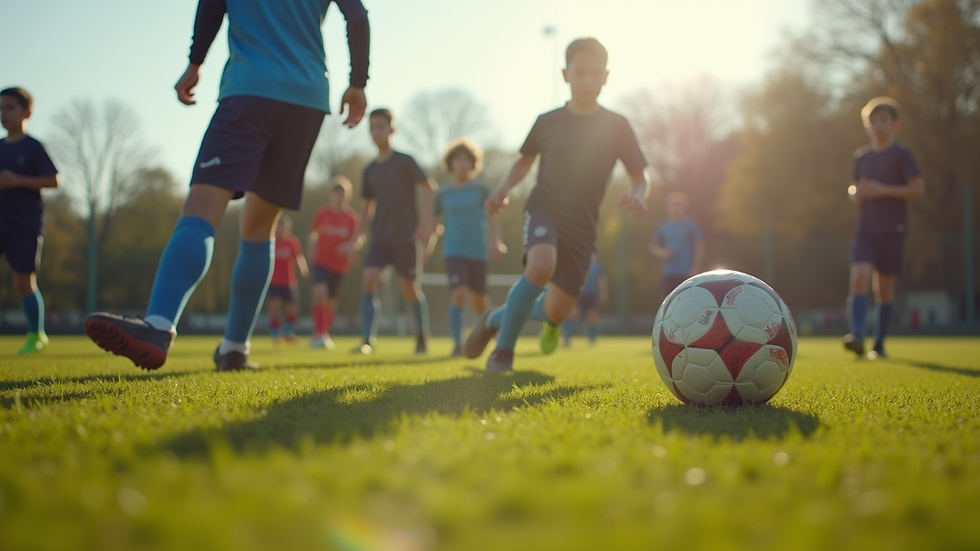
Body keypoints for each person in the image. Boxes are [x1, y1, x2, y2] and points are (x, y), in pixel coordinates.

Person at [84, 0, 369, 371]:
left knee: (202, 209)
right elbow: (358, 15)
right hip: (307, 98)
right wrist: (358, 83)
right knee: (259, 228)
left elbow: (211, 5)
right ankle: (235, 347)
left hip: (249, 90)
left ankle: (158, 326)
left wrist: (195, 62)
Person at [464, 37, 649, 372]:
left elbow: (639, 175)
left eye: (595, 73)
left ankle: (495, 318)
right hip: (544, 208)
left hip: (583, 226)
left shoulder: (617, 125)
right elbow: (524, 161)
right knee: (540, 266)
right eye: (580, 73)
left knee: (556, 311)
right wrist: (503, 188)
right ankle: (503, 351)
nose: (588, 80)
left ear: (607, 76)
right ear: (566, 74)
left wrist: (638, 194)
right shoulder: (547, 121)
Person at [344, 109, 436, 355]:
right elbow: (366, 208)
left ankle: (421, 336)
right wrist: (356, 239)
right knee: (368, 280)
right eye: (372, 127)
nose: (376, 132)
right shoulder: (370, 170)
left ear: (392, 130)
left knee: (409, 289)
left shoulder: (405, 161)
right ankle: (367, 339)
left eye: (381, 127)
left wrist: (424, 225)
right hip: (380, 238)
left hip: (406, 237)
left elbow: (430, 188)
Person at [843, 97, 924, 360]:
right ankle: (856, 335)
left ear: (894, 124)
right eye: (873, 121)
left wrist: (882, 190)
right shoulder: (861, 156)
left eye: (883, 120)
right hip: (865, 228)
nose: (878, 125)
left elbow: (917, 189)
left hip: (893, 229)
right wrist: (856, 193)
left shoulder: (902, 154)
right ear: (867, 126)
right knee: (858, 280)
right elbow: (853, 187)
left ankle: (878, 344)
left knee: (883, 289)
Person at [425, 138, 506, 357]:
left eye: (466, 160)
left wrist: (495, 241)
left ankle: (500, 342)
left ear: (473, 164)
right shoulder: (443, 193)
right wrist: (428, 249)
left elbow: (493, 217)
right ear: (450, 164)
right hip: (453, 252)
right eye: (457, 160)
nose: (462, 164)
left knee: (481, 304)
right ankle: (457, 344)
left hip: (477, 252)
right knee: (459, 294)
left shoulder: (482, 188)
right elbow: (434, 225)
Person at [0, 87, 60, 354]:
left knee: (23, 282)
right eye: (1, 108)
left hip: (25, 223)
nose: (4, 114)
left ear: (26, 113)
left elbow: (54, 180)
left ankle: (37, 335)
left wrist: (18, 180)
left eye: (10, 108)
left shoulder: (33, 147)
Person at [308, 176, 360, 349]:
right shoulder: (322, 212)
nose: (340, 196)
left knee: (330, 302)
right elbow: (313, 233)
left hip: (338, 266)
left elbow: (358, 239)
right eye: (337, 192)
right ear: (331, 194)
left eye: (343, 193)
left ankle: (325, 333)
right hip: (320, 261)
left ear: (349, 196)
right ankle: (319, 333)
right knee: (319, 293)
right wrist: (311, 246)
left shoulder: (352, 218)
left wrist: (349, 247)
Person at [650, 191, 704, 299]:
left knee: (688, 301)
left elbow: (699, 246)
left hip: (687, 273)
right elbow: (653, 247)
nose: (676, 209)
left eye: (679, 206)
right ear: (668, 208)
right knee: (668, 302)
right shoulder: (663, 225)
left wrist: (695, 267)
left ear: (685, 208)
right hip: (669, 273)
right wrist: (663, 253)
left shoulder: (691, 224)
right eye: (673, 206)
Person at [266, 215, 308, 344]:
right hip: (273, 281)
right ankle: (276, 333)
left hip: (289, 281)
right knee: (275, 307)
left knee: (292, 308)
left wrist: (303, 267)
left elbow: (298, 256)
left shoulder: (292, 241)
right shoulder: (271, 241)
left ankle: (289, 331)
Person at [561, 256, 607, 347]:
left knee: (592, 315)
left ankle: (592, 337)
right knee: (573, 313)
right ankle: (567, 337)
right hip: (579, 293)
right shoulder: (579, 262)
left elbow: (601, 280)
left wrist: (603, 293)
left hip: (592, 294)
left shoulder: (597, 266)